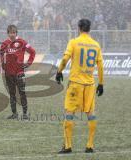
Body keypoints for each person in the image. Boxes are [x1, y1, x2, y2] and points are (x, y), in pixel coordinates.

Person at [55, 19, 104, 153]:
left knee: (69, 113)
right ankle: (90, 145)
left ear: (79, 28)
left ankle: (68, 146)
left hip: (76, 84)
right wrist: (101, 83)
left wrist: (59, 71)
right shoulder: (96, 45)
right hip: (90, 85)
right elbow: (100, 65)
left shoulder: (74, 42)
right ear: (89, 29)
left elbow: (65, 59)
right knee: (91, 115)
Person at [0, 25, 36, 120]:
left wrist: (28, 63)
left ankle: (25, 114)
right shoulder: (4, 44)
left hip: (19, 73)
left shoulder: (22, 42)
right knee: (12, 94)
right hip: (9, 74)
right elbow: (1, 54)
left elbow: (32, 52)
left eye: (14, 32)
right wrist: (3, 66)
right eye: (10, 32)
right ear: (8, 33)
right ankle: (14, 114)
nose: (12, 34)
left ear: (16, 33)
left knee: (22, 93)